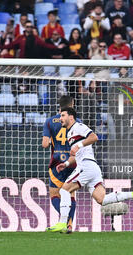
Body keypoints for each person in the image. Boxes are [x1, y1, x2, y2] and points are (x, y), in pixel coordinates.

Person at [46, 107, 133, 233]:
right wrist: (66, 164)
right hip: (92, 167)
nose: (60, 118)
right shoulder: (69, 133)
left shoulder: (79, 126)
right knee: (102, 199)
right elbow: (76, 154)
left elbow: (94, 137)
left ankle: (62, 223)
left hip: (86, 166)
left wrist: (79, 145)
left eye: (62, 115)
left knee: (64, 190)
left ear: (70, 117)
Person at [42, 96, 79, 234]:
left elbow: (45, 144)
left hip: (57, 162)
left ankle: (67, 222)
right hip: (72, 162)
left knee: (54, 195)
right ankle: (69, 225)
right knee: (70, 194)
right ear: (72, 104)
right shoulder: (77, 122)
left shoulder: (50, 121)